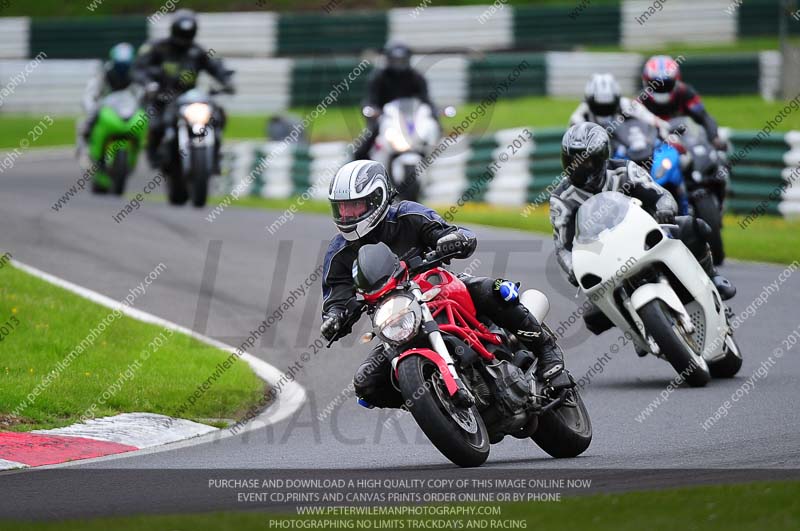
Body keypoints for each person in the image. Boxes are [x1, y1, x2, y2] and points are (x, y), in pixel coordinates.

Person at [320, 160, 569, 409]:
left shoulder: (408, 214)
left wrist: (451, 239)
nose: (347, 215)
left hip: (438, 289)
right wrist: (334, 317)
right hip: (396, 317)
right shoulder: (338, 252)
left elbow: (449, 232)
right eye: (341, 209)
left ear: (378, 198)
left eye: (354, 207)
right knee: (366, 385)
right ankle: (434, 401)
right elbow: (336, 296)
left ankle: (546, 350)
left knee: (493, 290)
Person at [549, 123, 735, 310]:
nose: (579, 167)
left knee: (693, 226)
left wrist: (664, 208)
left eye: (586, 161)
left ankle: (712, 277)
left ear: (601, 157)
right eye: (572, 160)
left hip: (644, 237)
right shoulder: (561, 199)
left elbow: (661, 195)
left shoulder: (625, 170)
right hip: (605, 261)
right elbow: (562, 247)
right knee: (591, 315)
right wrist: (573, 268)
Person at [132, 9, 234, 168]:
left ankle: (215, 153)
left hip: (189, 98)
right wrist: (149, 84)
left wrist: (227, 81)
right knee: (156, 124)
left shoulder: (197, 51)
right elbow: (139, 69)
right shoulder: (158, 48)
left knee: (217, 115)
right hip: (161, 97)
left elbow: (215, 67)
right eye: (182, 34)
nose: (184, 39)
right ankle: (155, 154)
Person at [352, 43, 435, 161]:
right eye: (395, 60)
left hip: (409, 119)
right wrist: (373, 110)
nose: (398, 64)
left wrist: (433, 113)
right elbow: (370, 100)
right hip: (386, 118)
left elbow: (425, 100)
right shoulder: (378, 77)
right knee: (367, 141)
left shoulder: (416, 77)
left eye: (402, 60)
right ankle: (358, 165)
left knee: (430, 131)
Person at [641, 55, 726, 150]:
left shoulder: (686, 93)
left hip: (686, 143)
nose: (661, 87)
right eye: (656, 84)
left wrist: (715, 138)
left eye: (667, 84)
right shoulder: (641, 101)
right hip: (655, 146)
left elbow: (704, 117)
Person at [77, 42, 137, 165]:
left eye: (125, 66)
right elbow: (91, 93)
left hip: (127, 107)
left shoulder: (135, 74)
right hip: (106, 106)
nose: (122, 70)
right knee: (86, 122)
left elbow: (140, 93)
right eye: (120, 65)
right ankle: (85, 151)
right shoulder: (104, 72)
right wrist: (92, 106)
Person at [570, 73, 670, 139]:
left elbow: (651, 119)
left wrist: (665, 130)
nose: (604, 110)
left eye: (608, 106)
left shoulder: (627, 105)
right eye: (599, 106)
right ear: (589, 102)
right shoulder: (580, 116)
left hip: (628, 151)